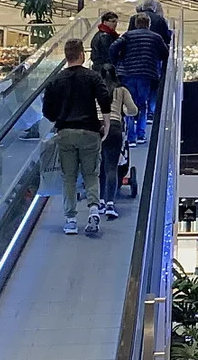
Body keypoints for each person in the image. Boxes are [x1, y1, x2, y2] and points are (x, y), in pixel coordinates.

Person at [42, 38, 111, 235]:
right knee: (91, 174)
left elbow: (47, 109)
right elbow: (105, 99)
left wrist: (60, 119)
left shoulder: (56, 80)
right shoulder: (92, 77)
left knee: (69, 177)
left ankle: (71, 220)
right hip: (90, 131)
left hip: (66, 133)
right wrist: (105, 124)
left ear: (66, 56)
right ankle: (93, 210)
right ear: (82, 54)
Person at [110, 13, 168, 147]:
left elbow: (113, 47)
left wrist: (117, 63)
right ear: (149, 24)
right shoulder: (155, 37)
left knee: (129, 106)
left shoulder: (127, 35)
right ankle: (141, 134)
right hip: (146, 74)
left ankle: (131, 138)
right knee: (142, 105)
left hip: (128, 74)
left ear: (136, 23)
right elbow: (165, 54)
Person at [96, 65, 136, 219]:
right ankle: (110, 204)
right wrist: (122, 112)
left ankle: (98, 201)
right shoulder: (121, 90)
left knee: (98, 166)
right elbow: (134, 110)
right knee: (111, 167)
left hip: (97, 127)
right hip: (114, 127)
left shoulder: (95, 89)